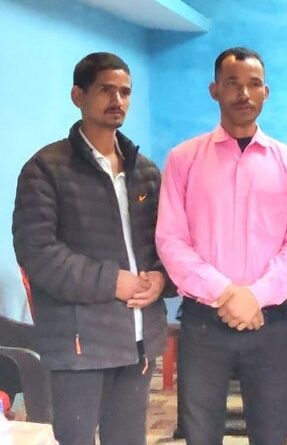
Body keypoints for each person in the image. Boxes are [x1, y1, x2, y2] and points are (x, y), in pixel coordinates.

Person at [12, 52, 169, 445]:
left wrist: (161, 278)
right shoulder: (46, 169)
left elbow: (166, 242)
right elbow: (37, 252)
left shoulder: (145, 171)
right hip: (78, 343)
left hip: (138, 340)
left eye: (125, 92)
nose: (117, 100)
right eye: (105, 90)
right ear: (78, 96)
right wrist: (112, 281)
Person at [156, 47, 287, 445]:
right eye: (232, 84)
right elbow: (171, 239)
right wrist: (226, 293)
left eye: (253, 84)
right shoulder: (183, 159)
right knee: (200, 435)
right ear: (215, 90)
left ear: (266, 93)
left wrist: (255, 296)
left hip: (269, 325)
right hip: (204, 324)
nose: (243, 93)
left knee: (272, 434)